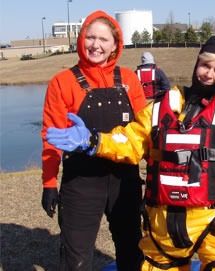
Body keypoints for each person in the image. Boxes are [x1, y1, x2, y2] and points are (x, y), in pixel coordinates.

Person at [45, 36, 215, 271]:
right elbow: (131, 140)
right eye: (205, 65)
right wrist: (93, 140)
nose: (208, 74)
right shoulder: (162, 106)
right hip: (163, 224)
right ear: (197, 63)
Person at [40, 10, 147, 270]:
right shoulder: (62, 82)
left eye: (103, 39)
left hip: (125, 180)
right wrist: (49, 183)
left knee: (132, 248)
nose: (95, 45)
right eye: (90, 37)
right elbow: (51, 136)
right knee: (76, 256)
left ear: (115, 45)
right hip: (82, 181)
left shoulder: (130, 80)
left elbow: (145, 132)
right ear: (81, 39)